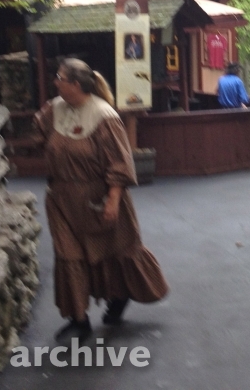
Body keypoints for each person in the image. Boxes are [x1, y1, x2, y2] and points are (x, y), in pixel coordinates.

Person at [34, 57, 169, 337]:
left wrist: (113, 199)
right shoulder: (53, 109)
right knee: (69, 255)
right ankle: (79, 320)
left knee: (116, 251)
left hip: (98, 197)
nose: (55, 82)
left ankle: (120, 296)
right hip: (62, 199)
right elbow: (38, 136)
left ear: (75, 84)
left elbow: (120, 161)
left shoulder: (104, 115)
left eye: (60, 78)